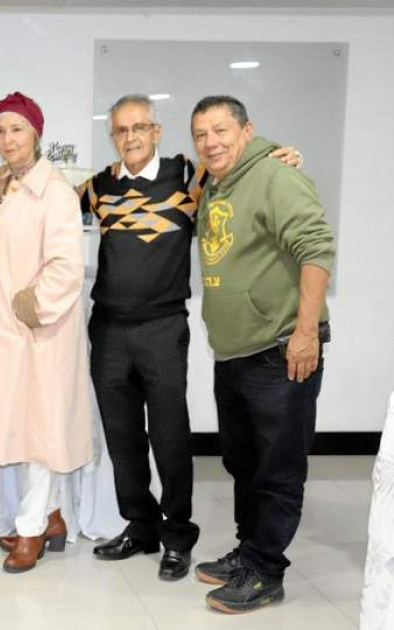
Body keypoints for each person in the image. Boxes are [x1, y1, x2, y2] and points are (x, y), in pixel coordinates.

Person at [78, 94, 303, 581]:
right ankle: (140, 526)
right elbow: (47, 203)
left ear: (157, 131)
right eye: (121, 130)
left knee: (169, 436)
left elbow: (242, 168)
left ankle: (177, 534)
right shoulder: (97, 187)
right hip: (109, 328)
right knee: (122, 437)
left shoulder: (189, 177)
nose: (131, 136)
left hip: (163, 327)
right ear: (111, 136)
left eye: (140, 127)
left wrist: (280, 153)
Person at [189, 95, 334, 613]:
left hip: (279, 349)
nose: (211, 141)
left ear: (248, 130)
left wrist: (306, 333)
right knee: (242, 461)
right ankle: (250, 551)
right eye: (201, 134)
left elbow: (315, 248)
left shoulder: (276, 175)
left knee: (277, 466)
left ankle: (266, 571)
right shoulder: (214, 182)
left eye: (222, 130)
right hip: (234, 352)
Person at [0, 92, 93, 573]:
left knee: (40, 432)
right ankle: (52, 516)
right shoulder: (5, 186)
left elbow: (67, 267)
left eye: (17, 129)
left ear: (36, 134)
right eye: (1, 130)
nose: (8, 139)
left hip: (40, 332)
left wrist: (28, 308)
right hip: (7, 333)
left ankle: (31, 531)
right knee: (23, 431)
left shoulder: (56, 192)